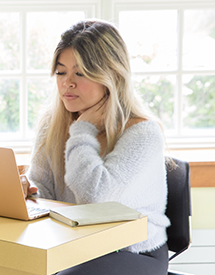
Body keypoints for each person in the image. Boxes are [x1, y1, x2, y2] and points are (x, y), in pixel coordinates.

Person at [21, 19, 171, 275]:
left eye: (80, 73)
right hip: (70, 244)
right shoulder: (52, 123)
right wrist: (26, 190)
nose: (67, 83)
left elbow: (95, 199)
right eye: (61, 72)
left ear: (111, 75)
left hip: (132, 252)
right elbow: (44, 190)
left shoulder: (143, 132)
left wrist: (82, 130)